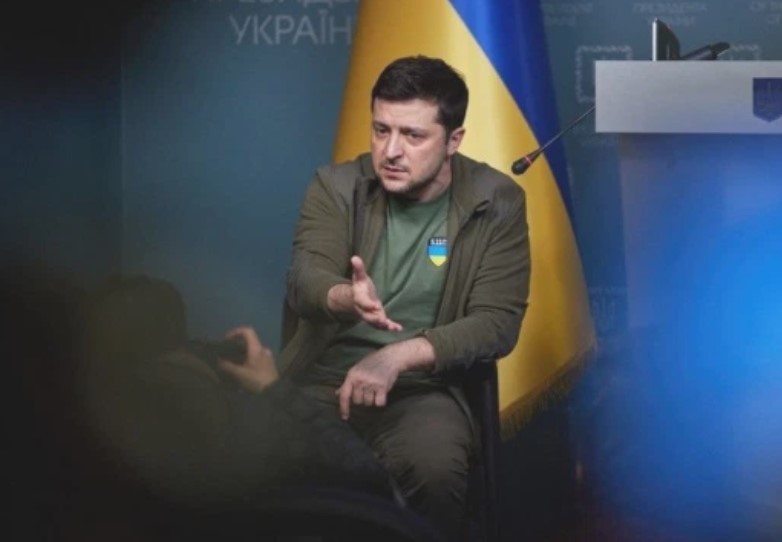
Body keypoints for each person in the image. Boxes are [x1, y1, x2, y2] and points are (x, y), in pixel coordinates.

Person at [281, 55, 531, 537]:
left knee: (435, 470)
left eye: (413, 136)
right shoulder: (336, 187)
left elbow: (496, 323)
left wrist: (398, 356)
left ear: (454, 140)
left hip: (423, 391)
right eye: (381, 130)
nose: (391, 151)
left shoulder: (496, 200)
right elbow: (305, 279)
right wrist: (345, 297)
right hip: (323, 384)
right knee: (263, 463)